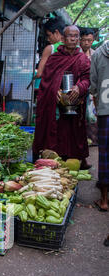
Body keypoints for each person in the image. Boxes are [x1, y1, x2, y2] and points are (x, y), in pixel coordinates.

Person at [32, 25, 91, 169]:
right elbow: (46, 81)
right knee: (55, 133)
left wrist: (79, 87)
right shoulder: (54, 58)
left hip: (75, 104)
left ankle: (76, 159)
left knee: (74, 133)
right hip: (56, 106)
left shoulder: (82, 58)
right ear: (63, 39)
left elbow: (87, 78)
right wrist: (55, 91)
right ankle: (53, 160)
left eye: (76, 36)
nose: (73, 39)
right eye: (70, 36)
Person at [90, 40, 109, 212]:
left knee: (105, 155)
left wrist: (97, 106)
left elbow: (93, 86)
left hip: (105, 110)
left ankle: (104, 200)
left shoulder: (97, 54)